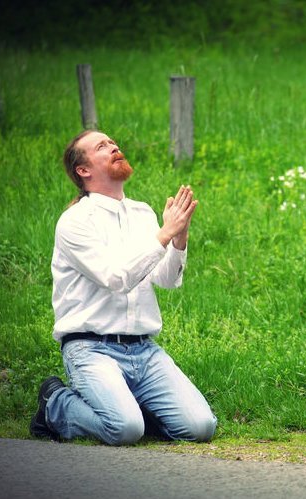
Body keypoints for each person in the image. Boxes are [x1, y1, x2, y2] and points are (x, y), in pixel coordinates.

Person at [30, 129, 217, 445]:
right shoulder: (75, 221)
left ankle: (132, 404)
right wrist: (163, 234)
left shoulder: (141, 213)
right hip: (90, 348)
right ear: (84, 170)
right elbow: (115, 278)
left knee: (201, 428)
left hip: (143, 349)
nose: (114, 146)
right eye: (102, 146)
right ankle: (56, 403)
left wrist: (179, 237)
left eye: (113, 142)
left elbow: (168, 279)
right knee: (125, 430)